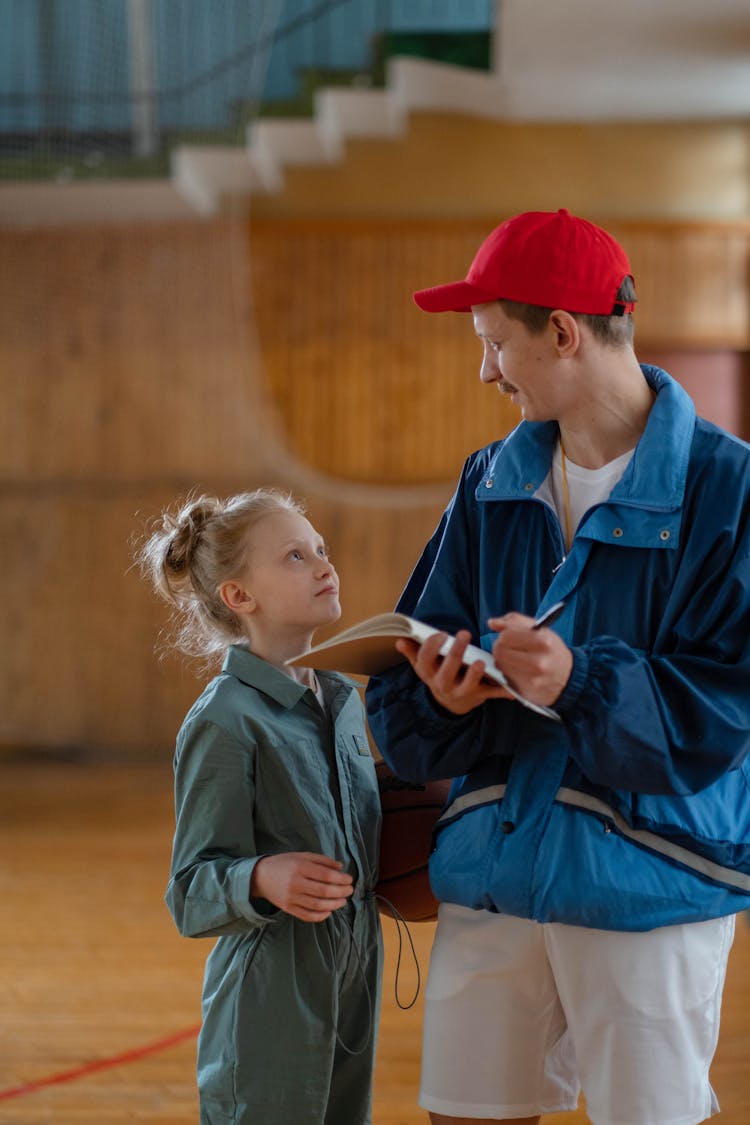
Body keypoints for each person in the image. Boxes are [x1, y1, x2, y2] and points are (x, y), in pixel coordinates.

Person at [365, 208, 750, 1125]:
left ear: (565, 333)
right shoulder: (486, 481)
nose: (485, 369)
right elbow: (406, 669)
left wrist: (577, 681)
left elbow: (721, 710)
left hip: (653, 882)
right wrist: (440, 696)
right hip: (495, 871)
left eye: (495, 343)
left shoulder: (730, 489)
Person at [137, 489, 382, 1125]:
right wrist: (263, 877)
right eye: (296, 557)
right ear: (240, 597)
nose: (325, 565)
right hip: (270, 999)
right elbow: (189, 894)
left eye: (322, 550)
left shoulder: (346, 702)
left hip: (355, 983)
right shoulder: (224, 719)